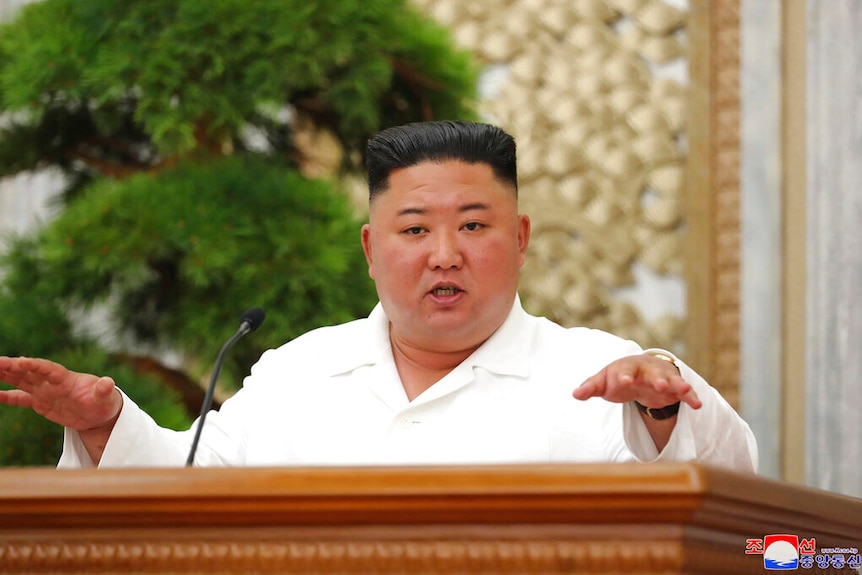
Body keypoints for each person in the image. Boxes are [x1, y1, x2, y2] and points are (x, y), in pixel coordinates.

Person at [0, 120, 758, 471]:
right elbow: (186, 495)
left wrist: (666, 400)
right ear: (370, 249)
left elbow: (738, 505)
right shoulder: (295, 372)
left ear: (521, 236)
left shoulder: (603, 375)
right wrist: (106, 427)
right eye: (415, 229)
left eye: (473, 224)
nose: (445, 254)